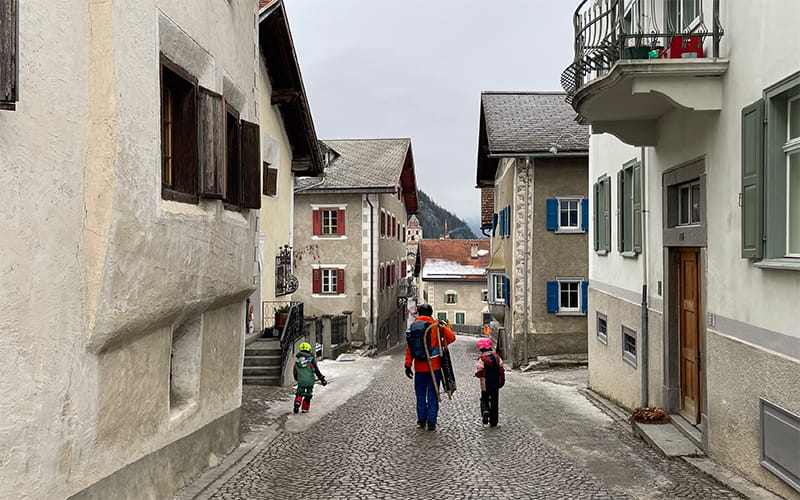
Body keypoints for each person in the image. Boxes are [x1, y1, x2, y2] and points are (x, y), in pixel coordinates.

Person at [404, 304, 456, 431]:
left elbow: (410, 348)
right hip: (435, 366)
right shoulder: (436, 326)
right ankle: (431, 421)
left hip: (419, 367)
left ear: (419, 313)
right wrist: (440, 342)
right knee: (433, 393)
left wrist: (407, 365)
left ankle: (421, 420)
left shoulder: (413, 327)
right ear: (431, 313)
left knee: (420, 394)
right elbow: (452, 338)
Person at [475, 337, 505, 427]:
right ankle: (494, 421)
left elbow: (478, 371)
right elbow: (501, 369)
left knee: (484, 399)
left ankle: (485, 411)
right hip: (495, 384)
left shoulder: (482, 360)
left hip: (485, 385)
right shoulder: (497, 358)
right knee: (495, 402)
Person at [293, 342, 327, 413]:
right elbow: (316, 370)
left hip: (301, 380)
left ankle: (297, 402)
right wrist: (321, 378)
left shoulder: (297, 360)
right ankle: (305, 408)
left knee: (299, 393)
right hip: (310, 380)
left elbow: (295, 370)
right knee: (308, 394)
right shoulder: (310, 360)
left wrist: (297, 378)